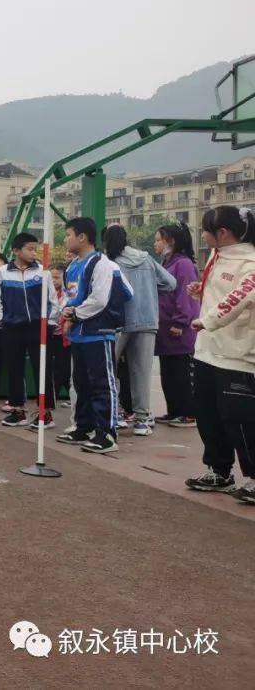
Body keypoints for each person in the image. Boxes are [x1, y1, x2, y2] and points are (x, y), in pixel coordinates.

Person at [183, 206, 255, 504]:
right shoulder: (217, 255)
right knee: (207, 414)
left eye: (206, 229)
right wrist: (202, 291)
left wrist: (207, 320)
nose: (202, 234)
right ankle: (219, 469)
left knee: (239, 419)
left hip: (236, 353)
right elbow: (223, 291)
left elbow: (241, 297)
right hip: (207, 351)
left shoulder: (250, 262)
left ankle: (253, 477)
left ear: (222, 233)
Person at [56, 217, 133, 454]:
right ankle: (84, 426)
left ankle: (107, 434)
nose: (65, 239)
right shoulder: (72, 266)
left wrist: (75, 314)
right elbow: (70, 296)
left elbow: (101, 298)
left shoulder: (103, 264)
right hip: (79, 334)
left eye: (68, 234)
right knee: (81, 383)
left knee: (102, 383)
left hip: (98, 333)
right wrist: (66, 311)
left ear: (82, 237)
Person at [104, 224, 176, 436]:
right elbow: (171, 283)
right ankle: (142, 420)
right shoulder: (145, 258)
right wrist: (151, 291)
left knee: (109, 370)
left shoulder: (109, 262)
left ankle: (114, 414)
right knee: (141, 373)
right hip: (146, 320)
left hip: (118, 322)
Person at [0, 232, 59, 428]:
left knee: (42, 368)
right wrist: (1, 320)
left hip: (38, 326)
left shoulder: (42, 272)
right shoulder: (3, 272)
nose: (33, 253)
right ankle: (18, 411)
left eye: (35, 249)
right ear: (16, 251)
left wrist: (50, 323)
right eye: (29, 249)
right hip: (12, 327)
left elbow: (52, 300)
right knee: (14, 369)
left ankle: (45, 413)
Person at [153, 223, 200, 428]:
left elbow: (185, 295)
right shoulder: (166, 262)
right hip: (164, 328)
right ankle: (174, 411)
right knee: (168, 373)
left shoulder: (184, 264)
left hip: (177, 327)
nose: (155, 244)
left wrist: (180, 321)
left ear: (170, 241)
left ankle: (188, 413)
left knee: (181, 372)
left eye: (158, 240)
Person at [47, 264, 71, 416]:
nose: (53, 281)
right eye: (51, 277)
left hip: (64, 337)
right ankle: (51, 397)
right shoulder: (46, 293)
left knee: (63, 368)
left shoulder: (68, 294)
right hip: (50, 335)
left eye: (56, 277)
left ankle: (54, 396)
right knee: (51, 366)